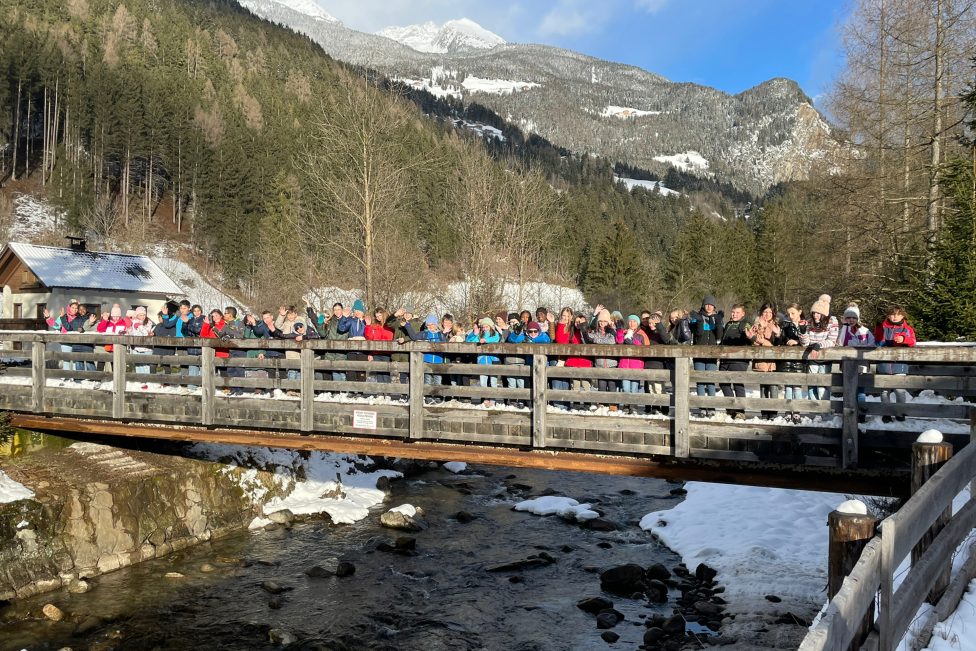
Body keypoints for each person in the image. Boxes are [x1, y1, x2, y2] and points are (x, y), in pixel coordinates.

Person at [874, 305, 916, 422]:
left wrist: (903, 339)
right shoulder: (883, 327)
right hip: (884, 364)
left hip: (900, 364)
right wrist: (878, 330)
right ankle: (886, 413)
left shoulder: (907, 329)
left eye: (898, 314)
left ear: (903, 315)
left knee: (900, 390)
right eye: (892, 314)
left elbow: (912, 341)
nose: (895, 317)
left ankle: (900, 412)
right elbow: (878, 343)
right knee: (884, 391)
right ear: (888, 315)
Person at [800, 294, 838, 401]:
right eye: (814, 313)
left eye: (819, 313)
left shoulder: (832, 322)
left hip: (825, 358)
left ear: (824, 314)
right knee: (812, 384)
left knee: (822, 385)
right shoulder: (809, 323)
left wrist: (818, 345)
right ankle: (814, 411)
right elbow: (805, 343)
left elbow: (832, 340)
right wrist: (803, 331)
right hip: (812, 358)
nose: (816, 315)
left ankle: (823, 411)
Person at [718, 304, 754, 420]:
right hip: (725, 359)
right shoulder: (728, 324)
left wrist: (750, 337)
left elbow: (750, 336)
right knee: (723, 383)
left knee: (737, 384)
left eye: (737, 312)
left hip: (739, 359)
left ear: (743, 314)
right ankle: (731, 408)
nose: (734, 314)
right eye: (733, 312)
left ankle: (740, 411)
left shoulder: (745, 324)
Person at [690, 296, 723, 416]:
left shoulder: (717, 318)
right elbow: (697, 334)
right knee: (700, 382)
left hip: (712, 355)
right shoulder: (697, 317)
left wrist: (718, 322)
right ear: (703, 305)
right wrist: (699, 321)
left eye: (711, 305)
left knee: (710, 381)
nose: (709, 307)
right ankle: (702, 407)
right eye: (706, 304)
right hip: (698, 354)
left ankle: (711, 407)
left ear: (714, 306)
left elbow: (719, 335)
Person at [749, 303, 782, 419]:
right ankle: (764, 412)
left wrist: (778, 335)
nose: (767, 315)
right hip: (762, 359)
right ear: (761, 313)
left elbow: (778, 344)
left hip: (773, 361)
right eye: (765, 312)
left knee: (773, 386)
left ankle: (773, 413)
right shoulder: (756, 325)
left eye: (770, 312)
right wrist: (761, 329)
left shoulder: (776, 325)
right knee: (763, 387)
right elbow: (754, 341)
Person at [584, 306, 619, 410]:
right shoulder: (596, 332)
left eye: (604, 321)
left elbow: (612, 341)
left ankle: (613, 405)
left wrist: (598, 341)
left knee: (612, 386)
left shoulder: (612, 331)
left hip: (611, 364)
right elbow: (589, 336)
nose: (602, 323)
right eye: (600, 321)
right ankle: (602, 405)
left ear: (608, 322)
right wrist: (594, 315)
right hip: (599, 363)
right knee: (602, 386)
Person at [404, 313, 446, 396]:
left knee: (437, 380)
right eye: (428, 325)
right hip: (427, 361)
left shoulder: (440, 335)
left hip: (438, 361)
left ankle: (437, 397)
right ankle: (428, 396)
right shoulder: (424, 333)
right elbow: (414, 337)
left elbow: (446, 345)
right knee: (428, 380)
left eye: (432, 324)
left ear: (436, 325)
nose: (430, 326)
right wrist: (407, 325)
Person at [466, 317, 502, 406]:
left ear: (490, 326)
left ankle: (493, 399)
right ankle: (485, 398)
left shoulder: (495, 334)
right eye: (483, 327)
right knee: (483, 382)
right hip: (482, 361)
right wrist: (475, 334)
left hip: (493, 360)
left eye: (487, 327)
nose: (485, 329)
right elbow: (468, 340)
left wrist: (486, 340)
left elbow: (496, 339)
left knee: (493, 381)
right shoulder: (480, 335)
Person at [619, 315, 650, 414]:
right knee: (626, 387)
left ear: (638, 323)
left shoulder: (641, 334)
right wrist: (620, 331)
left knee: (634, 388)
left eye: (634, 321)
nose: (632, 323)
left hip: (636, 364)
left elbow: (647, 347)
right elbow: (618, 342)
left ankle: (634, 405)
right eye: (630, 321)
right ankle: (626, 405)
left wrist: (634, 342)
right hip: (625, 364)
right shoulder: (624, 332)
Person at [501, 312, 528, 399]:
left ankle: (521, 400)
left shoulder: (524, 332)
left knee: (521, 382)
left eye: (514, 321)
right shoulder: (506, 332)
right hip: (510, 360)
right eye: (510, 322)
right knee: (511, 383)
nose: (512, 324)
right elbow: (501, 343)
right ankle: (511, 400)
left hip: (521, 360)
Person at [365, 308, 394, 384]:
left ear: (384, 314)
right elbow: (369, 337)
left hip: (387, 352)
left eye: (379, 315)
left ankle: (387, 392)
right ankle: (381, 392)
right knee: (379, 373)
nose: (378, 318)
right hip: (376, 352)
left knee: (386, 373)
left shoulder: (390, 325)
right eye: (376, 316)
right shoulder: (375, 326)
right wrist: (368, 326)